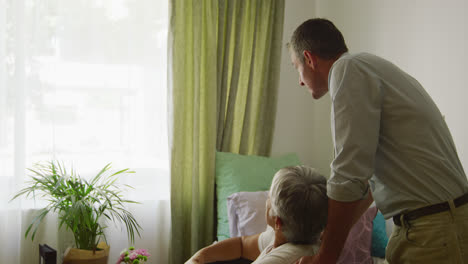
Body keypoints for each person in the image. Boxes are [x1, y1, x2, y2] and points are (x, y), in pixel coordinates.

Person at [288, 18, 468, 264]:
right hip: (439, 225)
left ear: (309, 58)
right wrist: (327, 236)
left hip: (433, 232)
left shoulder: (347, 69)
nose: (299, 80)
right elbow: (366, 182)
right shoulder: (371, 68)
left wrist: (324, 258)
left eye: (296, 67)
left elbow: (348, 175)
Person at [185, 165, 328, 264]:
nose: (267, 199)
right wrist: (200, 257)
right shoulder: (285, 234)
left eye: (270, 196)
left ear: (277, 221)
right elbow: (242, 245)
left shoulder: (283, 259)